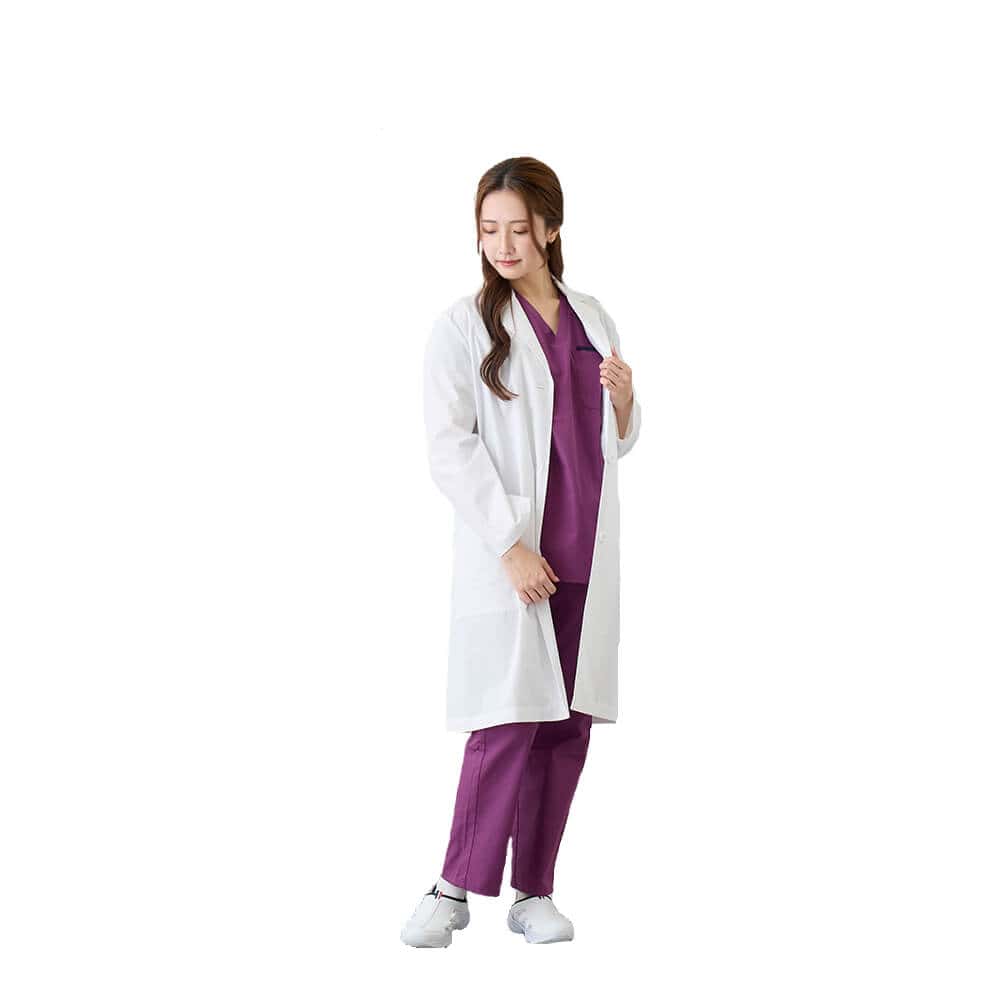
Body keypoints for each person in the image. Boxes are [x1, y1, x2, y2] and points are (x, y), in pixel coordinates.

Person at [401, 157, 642, 948]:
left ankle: (534, 891)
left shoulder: (593, 317)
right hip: (518, 557)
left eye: (518, 229)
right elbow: (449, 447)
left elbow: (611, 441)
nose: (502, 245)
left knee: (567, 727)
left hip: (585, 554)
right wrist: (508, 545)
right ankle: (451, 890)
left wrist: (625, 402)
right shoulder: (463, 326)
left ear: (551, 227)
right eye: (488, 230)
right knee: (504, 721)